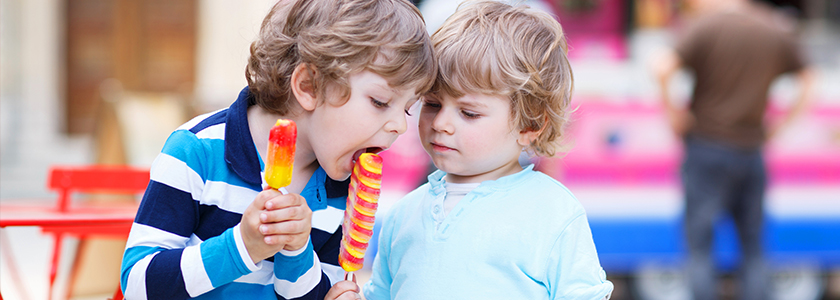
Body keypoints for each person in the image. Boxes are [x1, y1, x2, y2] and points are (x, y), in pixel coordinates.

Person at [119, 0, 436, 299]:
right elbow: (138, 284)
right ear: (309, 87)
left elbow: (311, 291)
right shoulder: (197, 151)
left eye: (407, 109)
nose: (399, 126)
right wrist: (243, 246)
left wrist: (297, 253)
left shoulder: (343, 189)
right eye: (380, 102)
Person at [364, 1, 614, 299]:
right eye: (432, 104)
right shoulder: (402, 215)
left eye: (469, 113)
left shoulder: (553, 212)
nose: (441, 123)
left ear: (530, 124)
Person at [653, 0, 815, 299]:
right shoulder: (774, 28)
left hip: (706, 148)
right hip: (752, 150)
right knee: (753, 247)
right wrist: (781, 126)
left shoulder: (706, 26)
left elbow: (662, 69)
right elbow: (808, 79)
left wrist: (675, 115)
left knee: (700, 246)